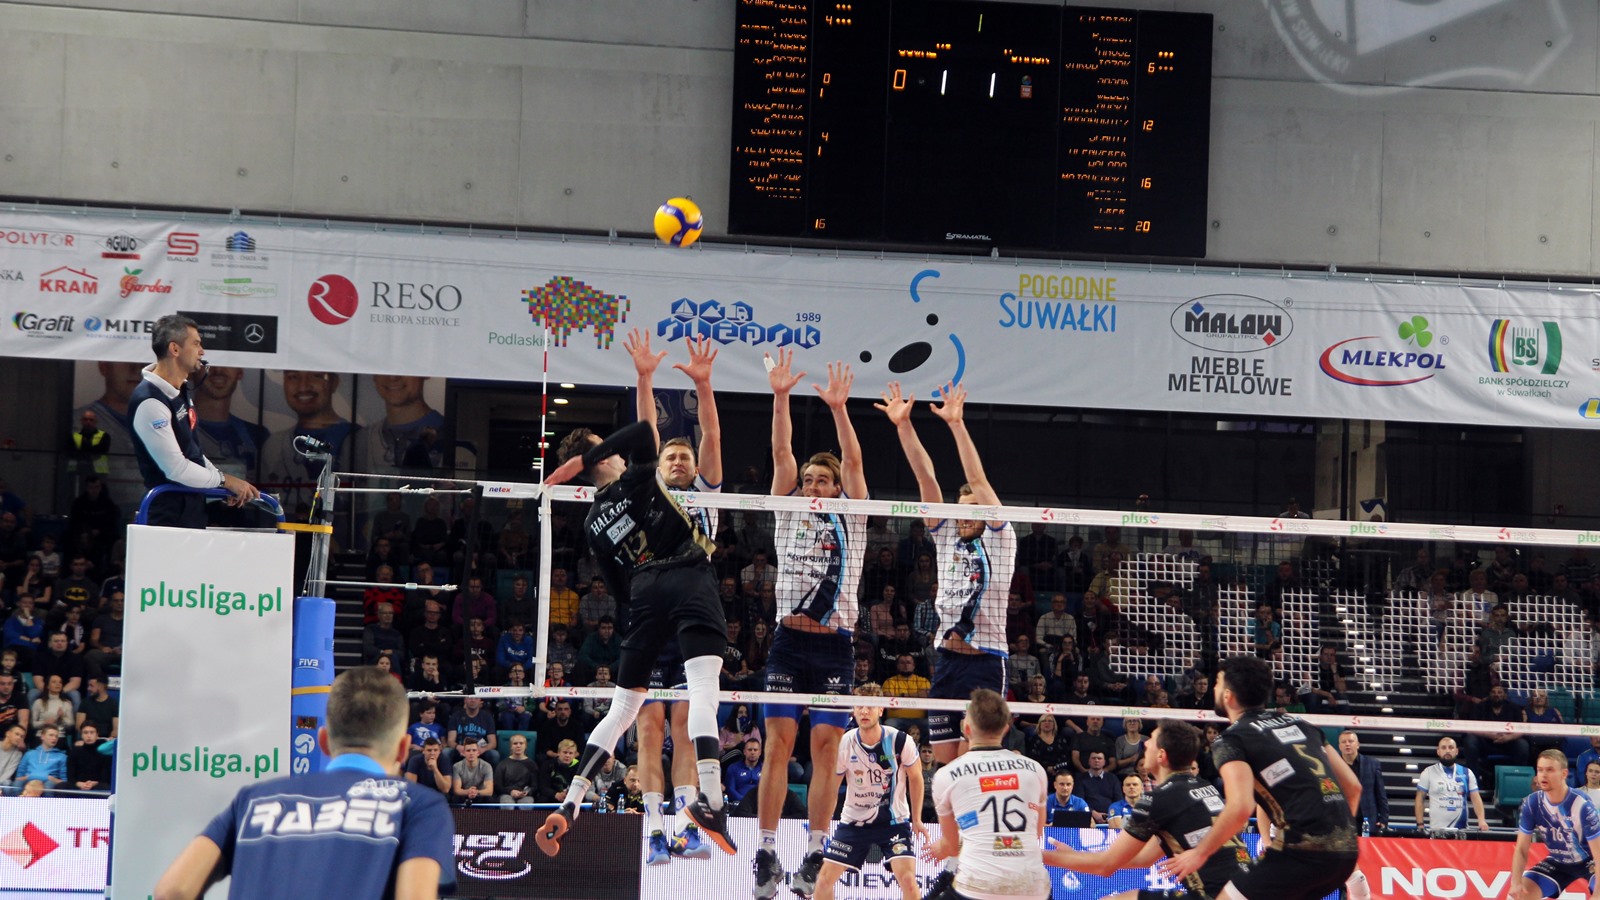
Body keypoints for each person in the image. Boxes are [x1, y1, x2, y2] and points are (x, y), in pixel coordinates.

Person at [537, 419, 735, 860]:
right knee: (703, 688)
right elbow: (645, 431)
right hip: (689, 576)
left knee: (622, 709)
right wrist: (583, 458)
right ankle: (711, 800)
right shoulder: (639, 476)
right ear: (605, 455)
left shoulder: (592, 523)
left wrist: (652, 602)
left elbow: (617, 587)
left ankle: (570, 803)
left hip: (644, 594)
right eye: (608, 448)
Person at [154, 668, 454, 900]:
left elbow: (172, 891)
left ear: (323, 741)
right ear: (403, 749)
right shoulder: (418, 806)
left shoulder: (253, 799)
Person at [753, 351, 871, 898]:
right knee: (777, 747)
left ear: (836, 487)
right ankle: (766, 851)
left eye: (824, 480)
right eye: (809, 480)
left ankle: (817, 849)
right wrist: (781, 396)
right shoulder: (789, 509)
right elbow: (781, 450)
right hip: (787, 643)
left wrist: (840, 409)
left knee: (827, 751)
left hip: (834, 648)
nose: (815, 486)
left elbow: (854, 462)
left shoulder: (853, 513)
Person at [878, 379, 1016, 771]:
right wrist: (904, 425)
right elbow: (926, 479)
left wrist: (956, 424)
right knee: (944, 763)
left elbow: (980, 481)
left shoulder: (1001, 539)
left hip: (986, 662)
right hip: (948, 663)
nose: (965, 514)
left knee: (974, 763)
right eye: (961, 507)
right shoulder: (944, 537)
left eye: (974, 508)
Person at [1160, 654, 1361, 900]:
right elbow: (1353, 787)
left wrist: (1199, 853)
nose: (1214, 688)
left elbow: (1241, 807)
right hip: (1346, 853)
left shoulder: (1231, 739)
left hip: (1301, 851)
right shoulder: (1303, 725)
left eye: (1218, 683)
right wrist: (1337, 836)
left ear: (1228, 695)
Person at [1044, 720, 1247, 900]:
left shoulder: (1158, 798)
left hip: (1213, 895)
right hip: (1241, 887)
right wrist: (1077, 855)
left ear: (1161, 755)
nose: (1146, 744)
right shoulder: (1203, 786)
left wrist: (1039, 856)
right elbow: (1142, 859)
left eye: (1151, 740)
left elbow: (1105, 866)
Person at [130, 315, 260, 528]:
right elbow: (176, 469)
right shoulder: (150, 401)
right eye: (196, 344)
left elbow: (193, 453)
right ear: (175, 349)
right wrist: (225, 480)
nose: (202, 351)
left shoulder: (180, 389)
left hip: (191, 507)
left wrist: (221, 486)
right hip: (166, 515)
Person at [924, 688, 1051, 900]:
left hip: (978, 885)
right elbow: (1037, 832)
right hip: (1032, 885)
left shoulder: (946, 775)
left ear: (966, 729)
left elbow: (952, 847)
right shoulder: (1035, 770)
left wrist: (942, 847)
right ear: (1006, 728)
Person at [813, 686, 927, 900]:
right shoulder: (845, 742)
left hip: (893, 821)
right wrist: (823, 824)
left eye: (870, 706)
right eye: (859, 706)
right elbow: (831, 787)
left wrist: (917, 819)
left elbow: (916, 778)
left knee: (908, 880)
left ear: (881, 710)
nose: (864, 711)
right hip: (854, 822)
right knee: (823, 881)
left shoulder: (900, 740)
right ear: (853, 710)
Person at [1508, 749, 1600, 900]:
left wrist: (1597, 893)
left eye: (1550, 770)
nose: (1543, 775)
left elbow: (1598, 854)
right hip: (1558, 860)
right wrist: (1516, 882)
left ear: (1564, 774)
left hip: (1590, 860)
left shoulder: (1582, 805)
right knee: (1517, 896)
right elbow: (1521, 849)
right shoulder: (1531, 803)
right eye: (1540, 770)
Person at [259, 370, 356, 512]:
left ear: (334, 382)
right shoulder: (274, 444)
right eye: (293, 377)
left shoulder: (357, 439)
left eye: (316, 376)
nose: (303, 386)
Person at [356, 375, 445, 474]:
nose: (393, 377)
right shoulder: (359, 442)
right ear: (374, 376)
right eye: (384, 368)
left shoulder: (451, 438)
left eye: (404, 368)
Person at [192, 365, 269, 475]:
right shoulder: (176, 428)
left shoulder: (258, 436)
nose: (218, 370)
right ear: (191, 371)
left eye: (228, 362)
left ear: (240, 372)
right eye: (208, 362)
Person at [1414, 736, 1488, 832]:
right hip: (1437, 830)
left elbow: (1476, 798)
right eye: (1443, 748)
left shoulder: (1467, 772)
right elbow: (1420, 799)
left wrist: (1481, 820)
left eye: (1451, 747)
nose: (1447, 751)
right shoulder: (1428, 772)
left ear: (1456, 751)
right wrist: (1420, 823)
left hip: (1461, 830)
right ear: (1438, 751)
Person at [1337, 730, 1389, 833]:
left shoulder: (1372, 764)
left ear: (1358, 745)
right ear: (1339, 746)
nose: (1347, 744)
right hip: (1343, 820)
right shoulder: (1333, 766)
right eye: (1343, 742)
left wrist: (1384, 819)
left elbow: (1380, 793)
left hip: (1368, 820)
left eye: (1350, 741)